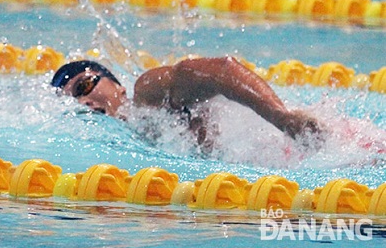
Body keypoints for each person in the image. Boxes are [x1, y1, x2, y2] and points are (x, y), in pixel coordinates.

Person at [51, 57, 323, 147]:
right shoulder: (132, 137)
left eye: (83, 86)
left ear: (117, 85)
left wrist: (282, 119)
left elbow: (223, 69)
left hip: (301, 141)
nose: (83, 101)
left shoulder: (146, 95)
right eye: (74, 102)